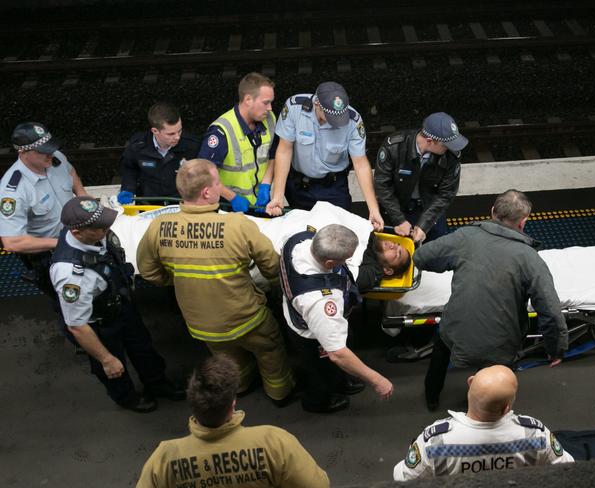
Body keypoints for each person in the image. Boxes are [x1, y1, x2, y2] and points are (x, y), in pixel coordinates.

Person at [136, 159, 295, 405]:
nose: (221, 186)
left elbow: (149, 272)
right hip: (247, 319)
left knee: (229, 359)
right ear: (208, 192)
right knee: (270, 351)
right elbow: (273, 266)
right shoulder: (237, 225)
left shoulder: (159, 227)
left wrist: (179, 278)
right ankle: (279, 393)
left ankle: (240, 387)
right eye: (218, 182)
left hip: (201, 325)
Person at [413, 189, 568, 410]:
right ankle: (491, 409)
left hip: (455, 329)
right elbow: (550, 310)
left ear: (493, 211)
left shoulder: (465, 237)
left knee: (442, 349)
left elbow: (422, 257)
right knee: (499, 378)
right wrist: (555, 348)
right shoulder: (531, 259)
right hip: (501, 342)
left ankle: (432, 396)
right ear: (523, 222)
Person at [49, 196, 183, 413]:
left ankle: (157, 383)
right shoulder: (70, 275)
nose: (107, 228)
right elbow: (77, 326)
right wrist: (106, 358)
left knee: (143, 349)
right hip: (99, 325)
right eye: (100, 227)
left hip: (121, 306)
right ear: (77, 233)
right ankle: (127, 397)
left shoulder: (89, 233)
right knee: (113, 368)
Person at [136, 355, 330, 488]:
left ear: (193, 404)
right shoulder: (273, 442)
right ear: (233, 402)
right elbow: (319, 485)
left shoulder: (165, 458)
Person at [280, 224, 393, 413]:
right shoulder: (321, 301)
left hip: (297, 312)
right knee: (320, 372)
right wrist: (378, 380)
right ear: (330, 263)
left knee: (333, 369)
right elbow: (338, 353)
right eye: (346, 259)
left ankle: (341, 381)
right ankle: (317, 402)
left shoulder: (298, 240)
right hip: (312, 336)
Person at [393, 365, 574, 480]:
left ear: (469, 384)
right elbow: (566, 468)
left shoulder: (435, 441)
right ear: (505, 408)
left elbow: (402, 478)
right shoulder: (535, 434)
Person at [265, 81, 384, 231]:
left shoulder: (353, 121)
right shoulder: (295, 108)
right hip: (299, 186)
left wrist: (373, 209)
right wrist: (277, 196)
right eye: (330, 117)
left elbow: (360, 164)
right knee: (301, 232)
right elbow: (284, 150)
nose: (337, 123)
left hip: (333, 187)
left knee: (339, 235)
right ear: (317, 104)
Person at [0, 122, 87, 297]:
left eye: (51, 148)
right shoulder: (13, 192)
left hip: (79, 234)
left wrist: (82, 195)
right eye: (42, 151)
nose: (50, 154)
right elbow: (12, 242)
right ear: (22, 152)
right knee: (69, 299)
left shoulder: (55, 157)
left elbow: (70, 172)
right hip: (51, 252)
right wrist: (62, 244)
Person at [374, 112, 468, 243]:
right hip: (396, 208)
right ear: (430, 141)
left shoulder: (451, 156)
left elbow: (446, 194)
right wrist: (399, 220)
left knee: (438, 252)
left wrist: (424, 225)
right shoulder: (394, 147)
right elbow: (382, 185)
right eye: (446, 145)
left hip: (431, 209)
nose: (450, 148)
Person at [198, 72, 277, 213]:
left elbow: (272, 155)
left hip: (261, 205)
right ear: (248, 99)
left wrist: (266, 185)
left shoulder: (270, 119)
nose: (270, 108)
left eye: (271, 102)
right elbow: (204, 173)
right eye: (266, 103)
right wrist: (233, 197)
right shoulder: (221, 131)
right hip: (230, 208)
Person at [118, 102, 200, 203]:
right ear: (155, 131)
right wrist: (128, 189)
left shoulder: (192, 146)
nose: (177, 137)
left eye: (180, 131)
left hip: (180, 205)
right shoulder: (137, 146)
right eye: (171, 134)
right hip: (148, 205)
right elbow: (129, 169)